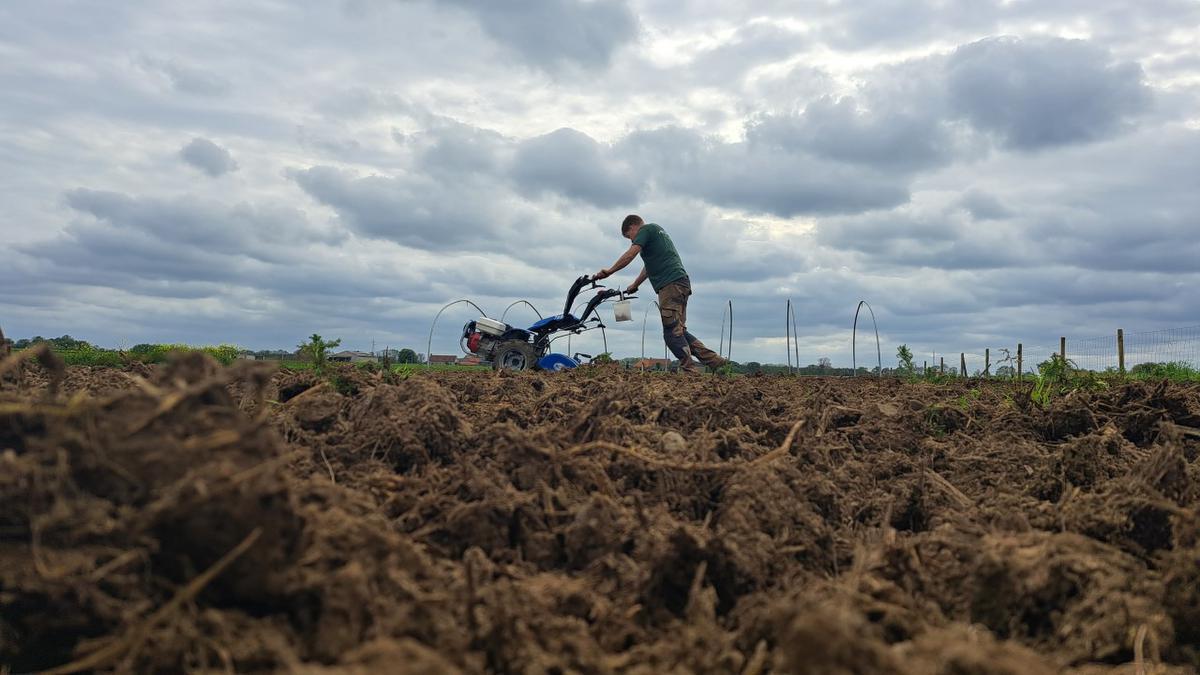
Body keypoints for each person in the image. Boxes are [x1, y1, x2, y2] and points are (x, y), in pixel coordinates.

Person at [595, 214, 725, 373]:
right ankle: (716, 362)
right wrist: (635, 284)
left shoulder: (646, 229)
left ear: (633, 227)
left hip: (670, 286)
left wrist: (609, 271)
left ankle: (690, 371)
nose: (632, 241)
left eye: (629, 237)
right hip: (681, 283)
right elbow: (649, 266)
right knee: (679, 331)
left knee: (671, 333)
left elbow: (631, 254)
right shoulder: (657, 233)